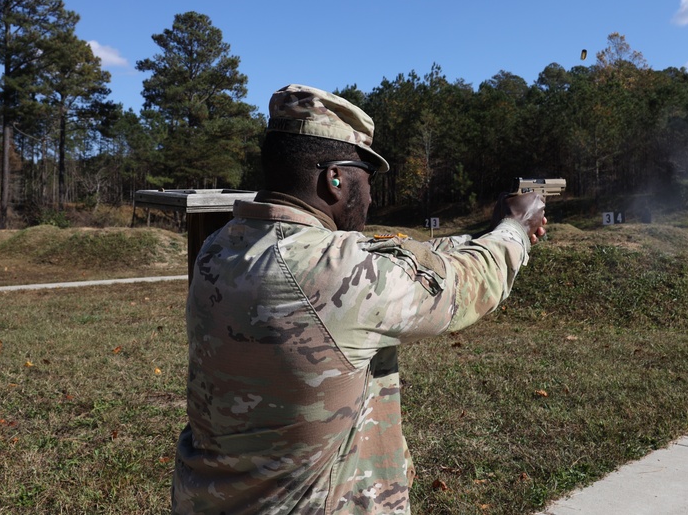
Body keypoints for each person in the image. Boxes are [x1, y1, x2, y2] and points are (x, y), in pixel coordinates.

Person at [172, 84, 547, 514]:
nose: (369, 196)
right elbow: (467, 283)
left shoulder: (219, 248)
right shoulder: (335, 270)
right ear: (334, 179)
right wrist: (514, 228)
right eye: (367, 179)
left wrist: (477, 235)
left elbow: (393, 258)